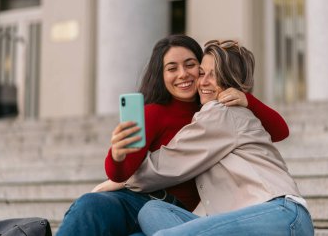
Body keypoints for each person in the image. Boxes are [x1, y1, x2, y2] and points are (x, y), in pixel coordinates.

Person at [55, 35, 290, 236]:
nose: (183, 74)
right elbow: (123, 171)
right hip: (142, 201)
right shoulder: (154, 113)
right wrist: (116, 157)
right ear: (161, 74)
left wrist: (247, 99)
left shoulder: (216, 110)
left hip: (175, 213)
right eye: (172, 68)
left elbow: (279, 131)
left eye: (191, 66)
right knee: (90, 205)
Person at [125, 40, 314, 236]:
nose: (203, 82)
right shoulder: (219, 113)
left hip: (280, 214)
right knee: (151, 211)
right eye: (201, 73)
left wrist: (122, 178)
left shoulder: (221, 111)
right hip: (249, 219)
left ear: (230, 81)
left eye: (214, 75)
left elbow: (163, 166)